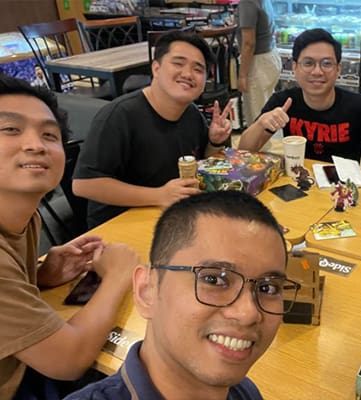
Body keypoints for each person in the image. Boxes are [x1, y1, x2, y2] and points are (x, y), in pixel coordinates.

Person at [65, 191, 301, 399]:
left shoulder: (243, 391)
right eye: (214, 279)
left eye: (267, 288)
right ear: (147, 290)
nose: (249, 313)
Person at [0, 74, 139, 399]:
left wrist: (38, 276)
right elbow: (68, 360)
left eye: (50, 134)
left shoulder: (24, 215)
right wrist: (117, 276)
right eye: (10, 129)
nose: (36, 144)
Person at [72, 30, 234, 228]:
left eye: (198, 69)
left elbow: (199, 163)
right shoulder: (119, 115)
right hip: (120, 227)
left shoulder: (191, 113)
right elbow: (83, 184)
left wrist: (214, 141)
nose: (188, 74)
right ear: (156, 68)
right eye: (178, 63)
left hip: (172, 218)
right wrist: (159, 195)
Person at [238, 28, 361, 174]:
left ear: (338, 69)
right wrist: (261, 123)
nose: (317, 72)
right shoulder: (283, 102)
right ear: (295, 67)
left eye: (327, 63)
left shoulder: (360, 106)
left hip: (342, 189)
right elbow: (244, 150)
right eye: (308, 63)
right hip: (297, 181)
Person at [237, 0, 281, 125]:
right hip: (270, 56)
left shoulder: (247, 3)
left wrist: (242, 75)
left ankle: (260, 145)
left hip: (257, 63)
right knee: (267, 111)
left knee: (257, 117)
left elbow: (248, 43)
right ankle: (268, 143)